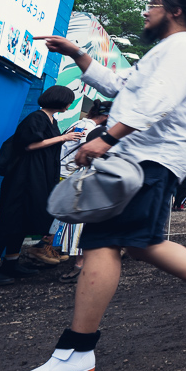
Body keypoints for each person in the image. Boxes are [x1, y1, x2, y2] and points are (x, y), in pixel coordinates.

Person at [0, 0, 186, 371]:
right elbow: (118, 85)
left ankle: (76, 351)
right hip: (147, 156)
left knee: (103, 241)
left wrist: (107, 138)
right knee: (140, 242)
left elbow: (156, 101)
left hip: (149, 156)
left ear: (174, 12)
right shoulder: (166, 50)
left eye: (152, 6)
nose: (145, 13)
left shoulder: (182, 48)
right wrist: (78, 54)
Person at [0, 85, 82, 286]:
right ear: (59, 100)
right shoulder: (36, 118)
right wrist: (64, 138)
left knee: (23, 219)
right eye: (68, 101)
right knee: (9, 219)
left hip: (37, 176)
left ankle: (11, 262)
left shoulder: (51, 120)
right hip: (22, 177)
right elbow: (29, 145)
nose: (70, 105)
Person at [54, 100, 112, 283]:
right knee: (82, 222)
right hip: (84, 179)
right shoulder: (95, 131)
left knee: (82, 222)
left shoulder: (83, 124)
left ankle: (81, 263)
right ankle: (80, 264)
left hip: (81, 178)